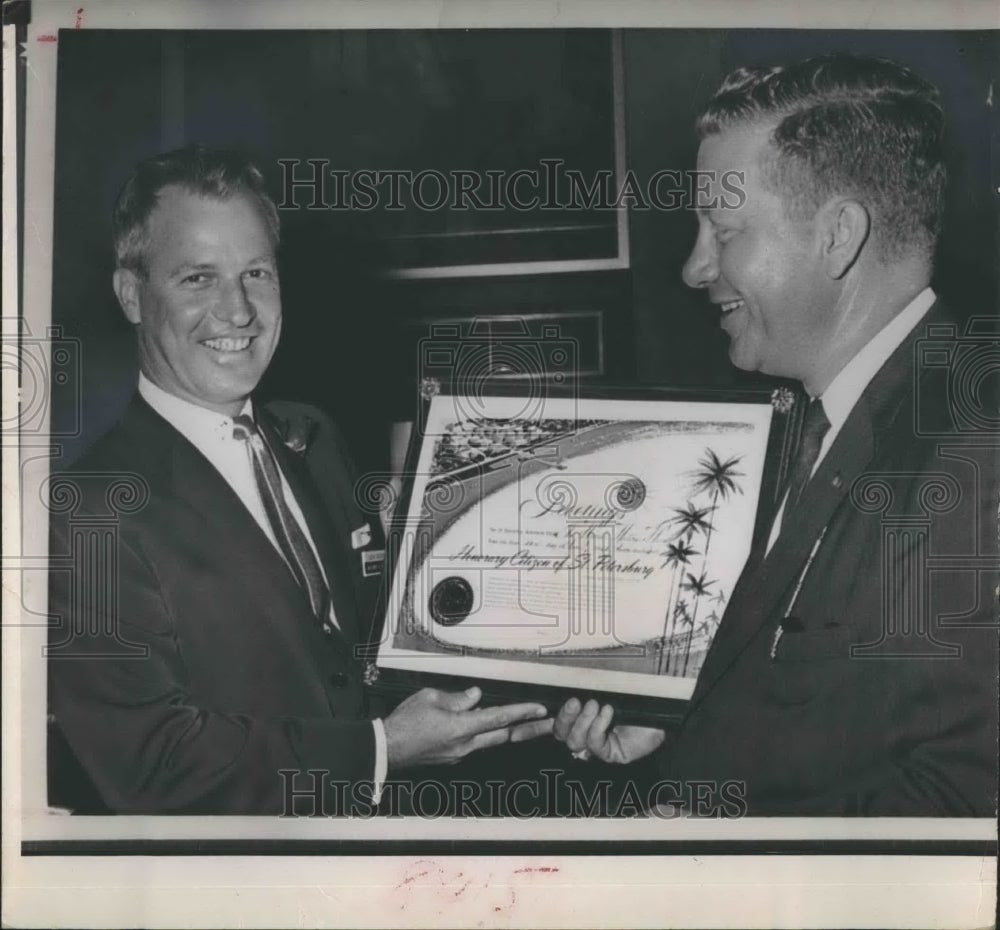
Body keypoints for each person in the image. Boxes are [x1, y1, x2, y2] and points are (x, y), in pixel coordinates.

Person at [553, 54, 999, 815]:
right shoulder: (807, 423)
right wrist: (677, 724)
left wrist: (710, 838)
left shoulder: (972, 449)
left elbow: (961, 800)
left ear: (837, 237)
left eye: (723, 231)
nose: (696, 267)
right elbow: (829, 700)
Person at [47, 146, 552, 815]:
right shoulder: (83, 512)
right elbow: (153, 763)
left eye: (256, 272)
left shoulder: (312, 436)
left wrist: (527, 684)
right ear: (131, 295)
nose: (239, 311)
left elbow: (364, 659)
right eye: (198, 278)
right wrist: (377, 753)